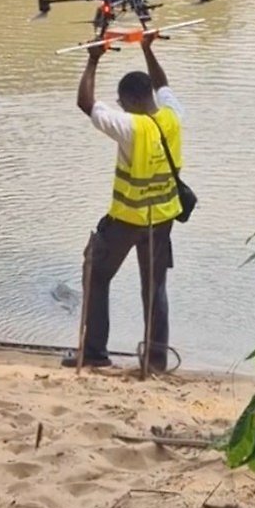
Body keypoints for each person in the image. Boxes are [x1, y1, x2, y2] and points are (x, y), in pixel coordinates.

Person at [64, 33, 184, 370]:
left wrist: (93, 59)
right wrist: (148, 49)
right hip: (162, 220)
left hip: (127, 220)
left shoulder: (129, 126)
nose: (120, 106)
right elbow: (163, 85)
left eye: (121, 101)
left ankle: (94, 354)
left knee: (96, 274)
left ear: (130, 99)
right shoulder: (173, 116)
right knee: (155, 288)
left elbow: (86, 103)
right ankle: (156, 361)